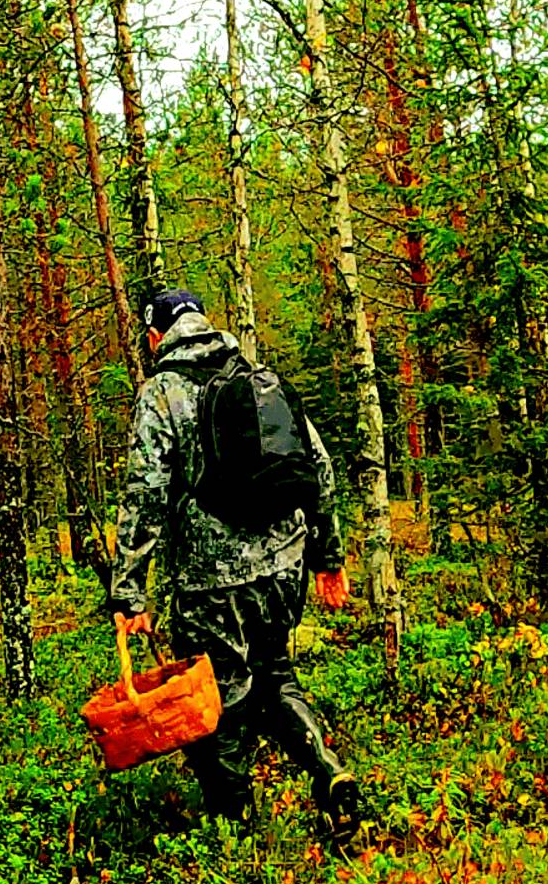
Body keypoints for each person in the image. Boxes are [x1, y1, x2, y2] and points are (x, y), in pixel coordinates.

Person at [109, 288, 360, 835]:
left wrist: (128, 591)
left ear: (156, 337)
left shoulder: (162, 393)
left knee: (220, 695)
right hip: (283, 565)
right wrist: (327, 556)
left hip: (212, 579)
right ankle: (329, 771)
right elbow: (318, 466)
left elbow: (146, 492)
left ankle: (233, 826)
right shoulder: (256, 375)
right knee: (273, 671)